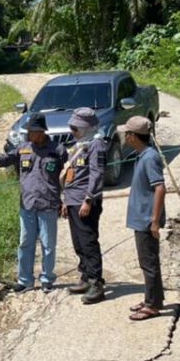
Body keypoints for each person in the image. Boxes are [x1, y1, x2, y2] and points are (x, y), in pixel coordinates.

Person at [0, 112, 67, 292]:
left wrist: (66, 199)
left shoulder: (57, 150)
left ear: (41, 131)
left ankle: (46, 279)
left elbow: (67, 174)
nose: (28, 134)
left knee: (48, 244)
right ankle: (25, 280)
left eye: (32, 131)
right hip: (27, 204)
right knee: (25, 242)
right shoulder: (23, 148)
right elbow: (7, 159)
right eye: (27, 131)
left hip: (48, 204)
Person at [118, 115, 167, 321]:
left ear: (133, 136)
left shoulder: (149, 158)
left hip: (147, 220)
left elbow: (160, 188)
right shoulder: (141, 155)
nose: (124, 136)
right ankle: (153, 297)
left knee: (149, 262)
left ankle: (152, 305)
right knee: (146, 261)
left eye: (127, 133)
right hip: (141, 219)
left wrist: (154, 221)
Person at [62, 107, 107, 304]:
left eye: (76, 127)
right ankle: (85, 277)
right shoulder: (80, 144)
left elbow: (96, 174)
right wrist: (66, 199)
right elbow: (72, 174)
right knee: (78, 243)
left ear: (86, 127)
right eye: (72, 127)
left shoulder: (96, 144)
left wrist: (89, 199)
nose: (72, 131)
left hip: (85, 201)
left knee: (89, 242)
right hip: (72, 200)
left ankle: (96, 283)